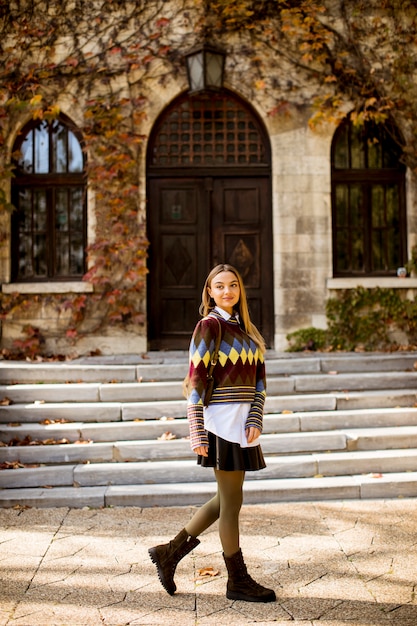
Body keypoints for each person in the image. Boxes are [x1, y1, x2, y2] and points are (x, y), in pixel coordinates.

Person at [148, 263, 276, 603]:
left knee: (227, 499)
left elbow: (260, 383)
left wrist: (256, 417)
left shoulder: (248, 330)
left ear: (240, 290)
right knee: (231, 502)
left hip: (243, 423)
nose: (227, 291)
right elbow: (196, 378)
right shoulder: (209, 326)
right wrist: (196, 429)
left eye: (233, 285)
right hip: (219, 421)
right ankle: (237, 581)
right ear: (210, 292)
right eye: (220, 286)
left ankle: (169, 553)